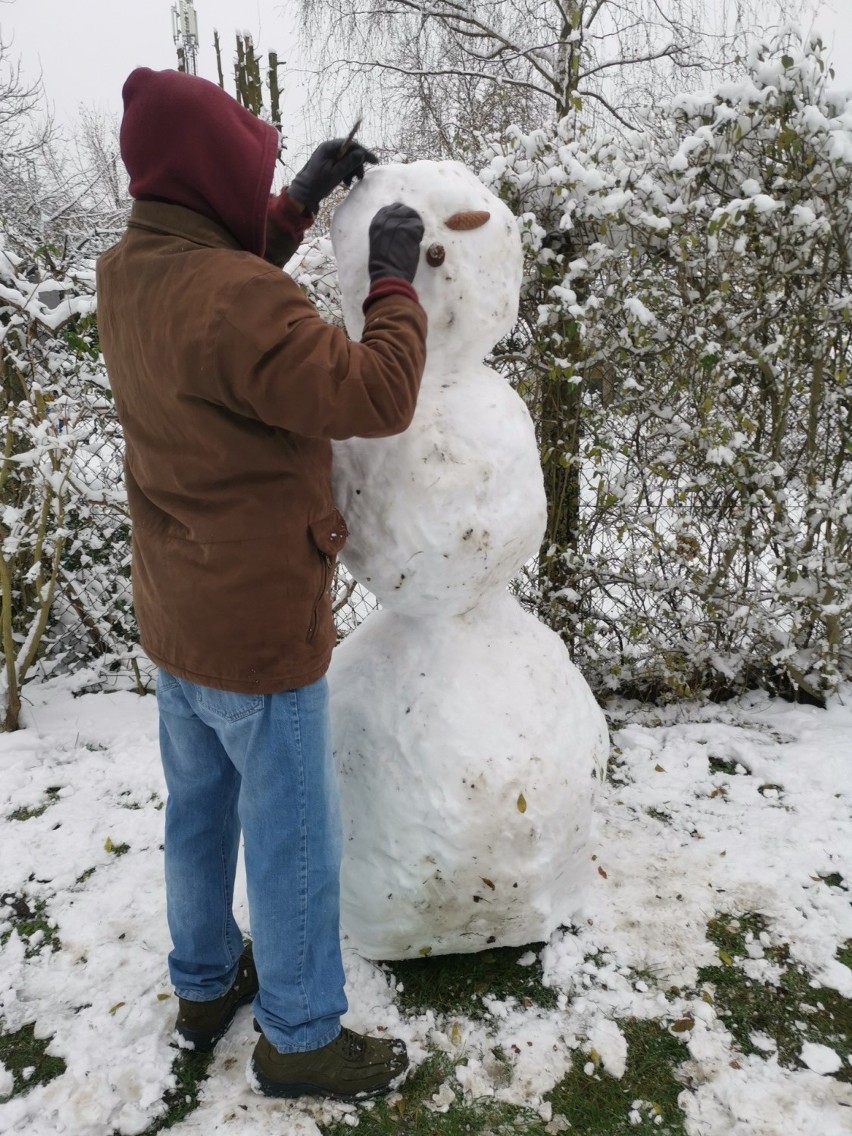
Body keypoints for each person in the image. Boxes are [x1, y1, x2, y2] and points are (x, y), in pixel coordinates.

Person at [96, 67, 427, 1101]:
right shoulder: (237, 296)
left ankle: (203, 982)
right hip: (259, 631)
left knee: (198, 811)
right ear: (210, 180)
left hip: (179, 618)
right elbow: (377, 391)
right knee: (291, 835)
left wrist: (291, 207)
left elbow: (218, 305)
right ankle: (301, 1034)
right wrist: (392, 282)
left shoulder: (130, 271)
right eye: (256, 173)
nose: (267, 182)